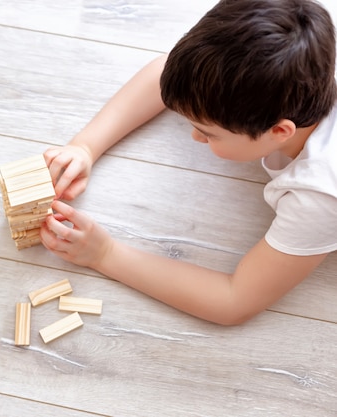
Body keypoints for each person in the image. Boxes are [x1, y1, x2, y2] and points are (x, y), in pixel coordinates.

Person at [40, 0, 337, 325]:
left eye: (208, 133)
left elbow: (233, 301)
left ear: (280, 131)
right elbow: (164, 72)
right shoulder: (303, 56)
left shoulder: (318, 196)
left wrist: (104, 254)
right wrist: (85, 146)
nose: (194, 137)